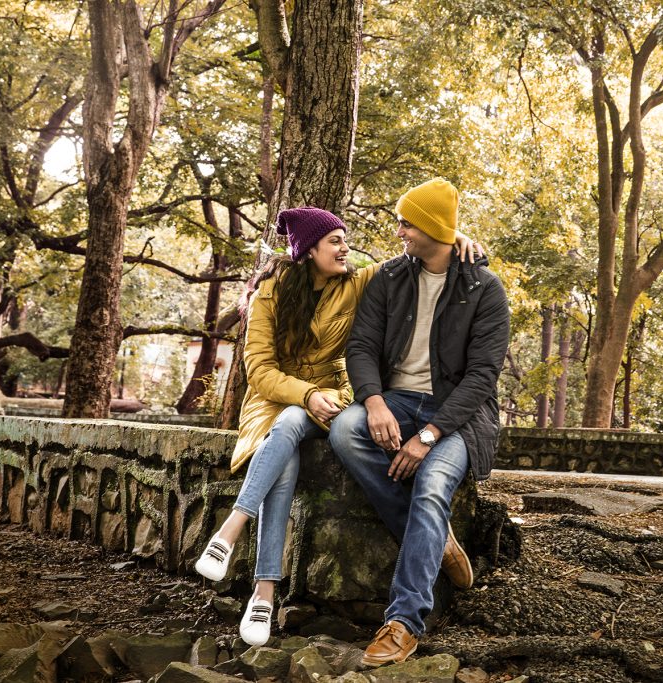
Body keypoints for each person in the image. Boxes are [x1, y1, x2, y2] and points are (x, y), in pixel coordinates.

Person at [193, 206, 480, 646]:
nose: (346, 248)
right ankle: (264, 589)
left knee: (292, 430)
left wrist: (455, 237)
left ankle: (233, 534)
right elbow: (260, 371)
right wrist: (305, 394)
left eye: (345, 239)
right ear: (308, 250)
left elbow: (416, 254)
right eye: (335, 241)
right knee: (285, 444)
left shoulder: (356, 282)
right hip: (276, 399)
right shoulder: (269, 293)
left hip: (334, 397)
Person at [329, 178, 510, 667]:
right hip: (397, 400)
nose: (400, 230)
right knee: (345, 430)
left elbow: (481, 379)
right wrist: (373, 402)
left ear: (431, 227)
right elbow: (361, 347)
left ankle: (404, 623)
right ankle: (437, 537)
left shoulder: (484, 289)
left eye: (408, 221)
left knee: (431, 485)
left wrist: (428, 436)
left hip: (460, 415)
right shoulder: (390, 277)